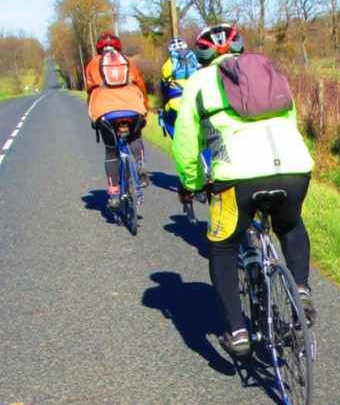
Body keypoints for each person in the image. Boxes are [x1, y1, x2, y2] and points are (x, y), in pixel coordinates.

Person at [171, 23, 316, 358]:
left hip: (237, 176)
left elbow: (185, 141)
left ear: (202, 55)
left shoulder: (198, 82)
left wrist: (192, 183)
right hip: (294, 167)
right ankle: (300, 287)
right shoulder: (268, 71)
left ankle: (237, 331)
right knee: (290, 224)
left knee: (223, 246)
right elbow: (291, 118)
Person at [84, 32, 150, 209]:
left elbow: (90, 90)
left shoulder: (92, 64)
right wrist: (144, 107)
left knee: (111, 151)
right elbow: (141, 85)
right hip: (133, 107)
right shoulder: (128, 61)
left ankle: (113, 194)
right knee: (135, 137)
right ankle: (140, 163)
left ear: (99, 49)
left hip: (105, 111)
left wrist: (93, 115)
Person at [158, 36, 201, 137]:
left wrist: (162, 106)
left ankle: (176, 140)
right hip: (198, 101)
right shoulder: (196, 60)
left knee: (168, 120)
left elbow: (164, 88)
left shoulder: (167, 64)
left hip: (176, 102)